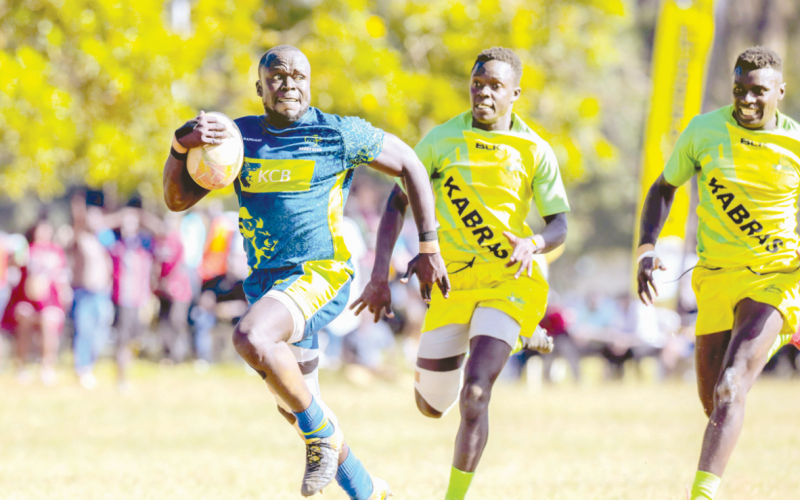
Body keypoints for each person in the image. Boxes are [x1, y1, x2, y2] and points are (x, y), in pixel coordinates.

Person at [162, 45, 448, 499]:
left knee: (252, 339)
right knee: (294, 404)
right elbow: (177, 201)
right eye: (277, 77)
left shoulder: (338, 134)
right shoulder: (238, 141)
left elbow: (411, 164)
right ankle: (368, 490)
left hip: (322, 273)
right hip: (269, 285)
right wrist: (181, 145)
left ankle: (321, 440)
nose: (289, 84)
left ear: (310, 83)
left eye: (299, 76)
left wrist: (427, 244)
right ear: (260, 88)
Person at [352, 47, 569, 500]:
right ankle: (522, 334)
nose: (484, 93)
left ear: (515, 94)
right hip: (452, 287)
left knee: (475, 394)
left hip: (509, 283)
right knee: (430, 407)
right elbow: (397, 204)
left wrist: (535, 243)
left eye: (494, 86)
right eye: (477, 83)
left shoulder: (535, 151)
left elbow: (560, 225)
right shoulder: (439, 141)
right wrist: (378, 277)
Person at [636, 46, 800, 500]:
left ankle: (701, 496)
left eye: (758, 92)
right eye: (739, 90)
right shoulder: (704, 131)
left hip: (774, 279)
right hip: (714, 276)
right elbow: (662, 188)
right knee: (714, 403)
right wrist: (646, 249)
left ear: (780, 92)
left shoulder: (796, 145)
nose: (746, 101)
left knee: (731, 388)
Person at [2, 218, 70, 385]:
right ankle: (21, 367)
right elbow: (13, 267)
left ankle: (47, 367)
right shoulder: (26, 249)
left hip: (50, 302)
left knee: (49, 323)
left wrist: (64, 298)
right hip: (27, 300)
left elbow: (62, 278)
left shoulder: (56, 251)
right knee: (23, 322)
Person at [69, 191, 114, 389]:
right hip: (84, 294)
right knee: (84, 331)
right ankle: (82, 369)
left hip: (102, 294)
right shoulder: (81, 238)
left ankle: (90, 365)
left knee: (101, 332)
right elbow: (78, 224)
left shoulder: (104, 240)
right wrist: (78, 208)